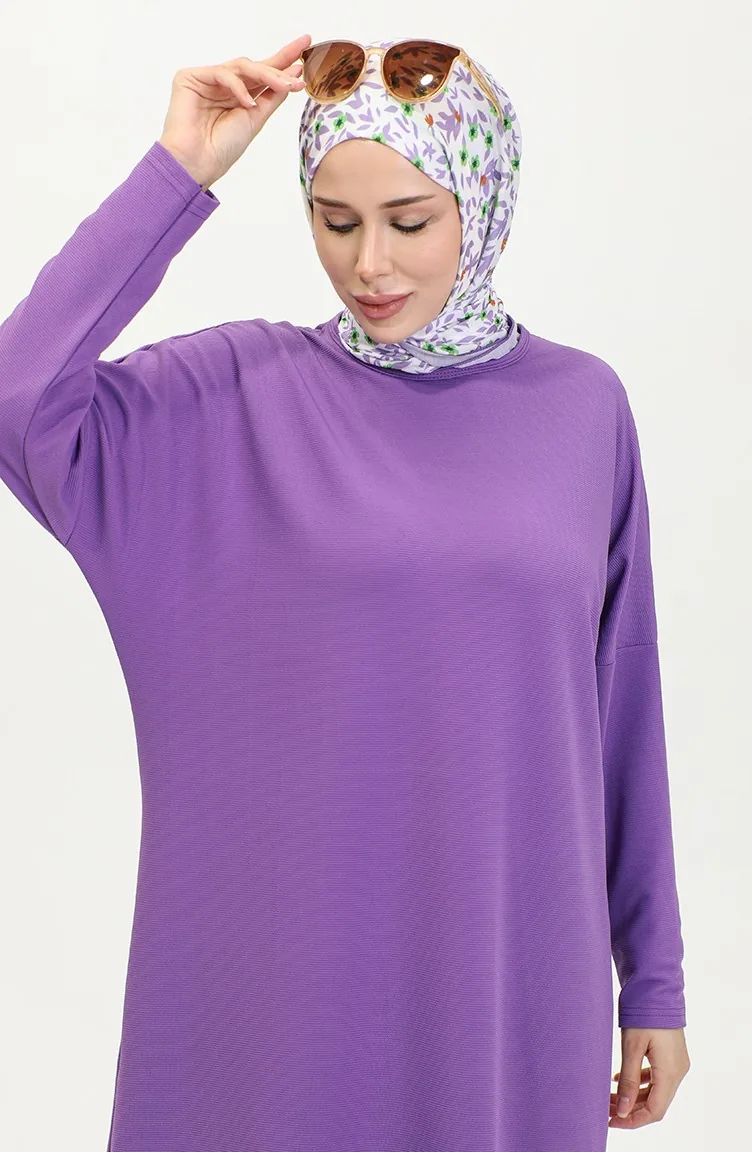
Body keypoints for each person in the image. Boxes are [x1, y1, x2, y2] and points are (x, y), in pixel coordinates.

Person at [0, 32, 690, 1152]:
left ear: (482, 200)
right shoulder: (230, 398)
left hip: (506, 980)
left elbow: (621, 711)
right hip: (269, 1006)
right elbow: (17, 399)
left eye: (409, 221)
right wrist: (179, 171)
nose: (369, 264)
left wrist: (651, 979)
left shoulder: (582, 408)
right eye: (335, 220)